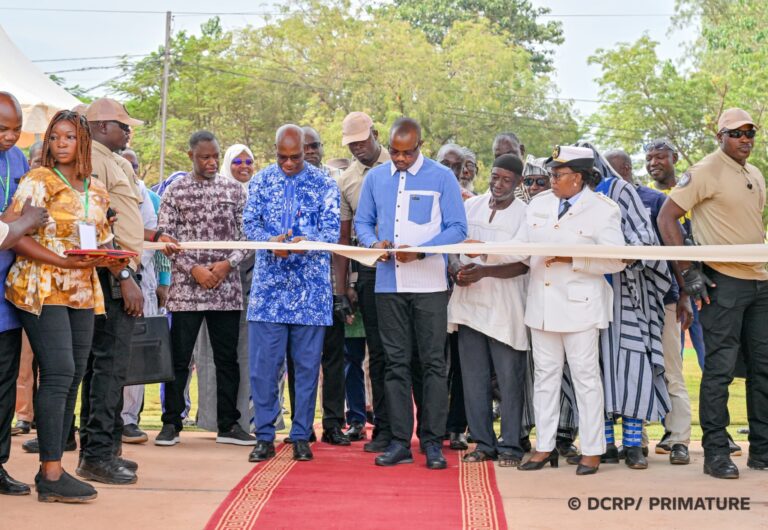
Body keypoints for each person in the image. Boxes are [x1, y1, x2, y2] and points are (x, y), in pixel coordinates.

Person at [6, 109, 113, 502]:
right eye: (55, 137)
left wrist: (110, 258)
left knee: (75, 374)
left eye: (69, 137)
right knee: (59, 371)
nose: (61, 144)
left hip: (82, 289)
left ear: (83, 142)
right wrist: (62, 261)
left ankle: (54, 469)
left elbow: (100, 238)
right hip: (41, 285)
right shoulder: (39, 179)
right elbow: (13, 235)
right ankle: (50, 472)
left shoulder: (96, 189)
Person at [657, 108, 768, 479]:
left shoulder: (754, 172)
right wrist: (688, 272)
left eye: (750, 132)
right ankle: (716, 453)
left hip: (759, 281)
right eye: (736, 133)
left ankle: (762, 451)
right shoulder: (705, 170)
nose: (745, 139)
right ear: (721, 136)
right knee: (719, 369)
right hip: (723, 283)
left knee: (763, 368)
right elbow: (666, 217)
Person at [355, 117, 467, 469]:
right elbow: (362, 222)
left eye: (408, 152)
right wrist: (374, 243)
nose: (401, 159)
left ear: (421, 146)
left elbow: (458, 228)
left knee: (432, 364)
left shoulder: (442, 177)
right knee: (395, 364)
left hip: (430, 286)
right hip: (388, 284)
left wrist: (421, 252)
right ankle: (400, 442)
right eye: (395, 152)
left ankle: (432, 443)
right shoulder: (375, 178)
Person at [508, 146, 626, 475]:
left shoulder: (603, 209)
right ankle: (544, 446)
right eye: (551, 174)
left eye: (557, 175)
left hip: (579, 307)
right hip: (543, 305)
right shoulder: (540, 204)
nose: (551, 180)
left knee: (585, 379)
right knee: (545, 378)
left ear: (577, 177)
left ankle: (592, 449)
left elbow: (617, 259)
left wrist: (573, 259)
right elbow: (519, 246)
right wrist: (484, 251)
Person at [245, 124, 340, 463]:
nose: (288, 163)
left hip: (310, 293)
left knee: (306, 368)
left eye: (295, 157)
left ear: (306, 151)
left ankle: (301, 435)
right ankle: (264, 436)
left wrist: (307, 242)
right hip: (268, 292)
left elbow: (332, 230)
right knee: (263, 369)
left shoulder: (325, 184)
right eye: (282, 157)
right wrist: (270, 242)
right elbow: (249, 224)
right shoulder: (260, 181)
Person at [156, 131, 253, 448]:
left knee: (227, 360)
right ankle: (171, 423)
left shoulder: (234, 190)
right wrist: (193, 269)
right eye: (204, 157)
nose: (211, 162)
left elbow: (247, 238)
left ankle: (229, 425)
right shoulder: (176, 190)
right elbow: (165, 237)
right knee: (179, 359)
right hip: (187, 291)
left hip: (226, 290)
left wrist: (227, 265)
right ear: (191, 156)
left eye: (215, 156)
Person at [581, 141, 671, 471]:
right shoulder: (571, 197)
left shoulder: (620, 190)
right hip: (584, 296)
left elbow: (643, 237)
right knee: (595, 371)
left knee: (632, 366)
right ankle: (604, 443)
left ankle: (633, 445)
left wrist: (621, 254)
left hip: (625, 294)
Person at [606, 148, 693, 466]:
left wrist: (684, 294)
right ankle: (636, 440)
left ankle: (679, 439)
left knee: (670, 370)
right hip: (622, 304)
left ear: (627, 169)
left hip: (662, 298)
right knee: (633, 370)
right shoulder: (601, 204)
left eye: (611, 171)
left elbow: (676, 248)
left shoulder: (654, 200)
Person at [447, 154, 529, 467]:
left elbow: (523, 263)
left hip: (505, 307)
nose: (498, 184)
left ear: (518, 183)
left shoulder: (525, 214)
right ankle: (483, 443)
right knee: (474, 379)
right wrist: (456, 269)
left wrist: (484, 270)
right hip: (469, 304)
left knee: (509, 381)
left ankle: (511, 446)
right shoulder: (472, 206)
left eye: (506, 180)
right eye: (495, 177)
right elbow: (453, 247)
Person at [0, 92, 52, 496]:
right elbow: (16, 223)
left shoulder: (17, 159)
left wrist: (22, 222)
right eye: (3, 129)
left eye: (16, 129)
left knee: (4, 387)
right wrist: (21, 223)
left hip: (6, 297)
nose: (10, 136)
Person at [335, 112, 391, 447]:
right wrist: (342, 288)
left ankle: (416, 429)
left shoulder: (399, 165)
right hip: (368, 272)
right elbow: (344, 239)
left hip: (408, 270)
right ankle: (382, 428)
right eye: (351, 144)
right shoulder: (347, 180)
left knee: (401, 355)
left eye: (361, 141)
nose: (357, 148)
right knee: (376, 356)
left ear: (376, 134)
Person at [518, 155, 579, 458]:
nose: (534, 187)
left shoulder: (576, 207)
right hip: (534, 305)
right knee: (539, 374)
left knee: (575, 374)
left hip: (573, 307)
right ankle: (539, 439)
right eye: (528, 182)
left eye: (541, 181)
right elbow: (517, 250)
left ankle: (565, 434)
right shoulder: (528, 209)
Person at [194, 143, 256, 435]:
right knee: (213, 356)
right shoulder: (215, 192)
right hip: (213, 283)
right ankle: (214, 419)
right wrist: (218, 269)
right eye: (237, 162)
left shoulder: (259, 194)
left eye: (248, 161)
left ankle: (247, 421)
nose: (243, 167)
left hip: (252, 287)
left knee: (247, 355)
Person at [645, 140, 707, 370]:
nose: (654, 162)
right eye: (649, 158)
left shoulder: (691, 190)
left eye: (660, 157)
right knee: (672, 359)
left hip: (700, 282)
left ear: (675, 158)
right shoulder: (644, 196)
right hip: (667, 288)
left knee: (710, 356)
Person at [12, 141, 44, 438]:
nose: (40, 164)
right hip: (23, 288)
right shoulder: (23, 194)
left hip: (52, 291)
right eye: (36, 160)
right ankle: (24, 415)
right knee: (24, 360)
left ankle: (49, 420)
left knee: (51, 363)